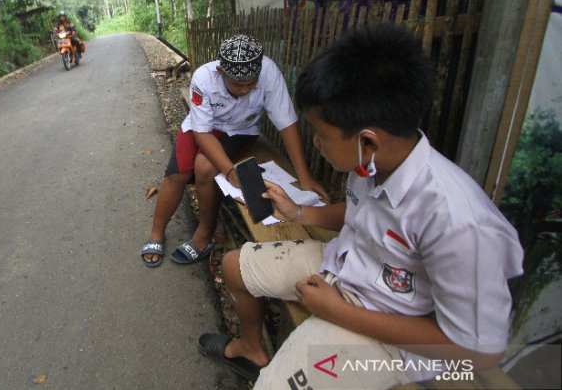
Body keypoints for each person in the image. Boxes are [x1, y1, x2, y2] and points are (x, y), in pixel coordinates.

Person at [197, 24, 524, 388]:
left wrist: (339, 312)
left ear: (367, 141)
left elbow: (477, 351)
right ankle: (252, 349)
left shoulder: (459, 223)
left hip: (388, 328)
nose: (316, 144)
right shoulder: (373, 164)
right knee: (233, 266)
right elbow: (359, 213)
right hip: (344, 263)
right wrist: (300, 213)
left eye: (320, 135)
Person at [141, 34, 326, 267]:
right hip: (203, 126)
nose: (246, 89)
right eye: (238, 84)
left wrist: (305, 177)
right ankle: (157, 232)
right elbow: (202, 132)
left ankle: (204, 233)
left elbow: (286, 123)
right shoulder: (204, 78)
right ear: (221, 73)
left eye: (252, 83)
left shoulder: (269, 72)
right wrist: (230, 172)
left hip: (241, 129)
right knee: (176, 173)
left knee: (205, 166)